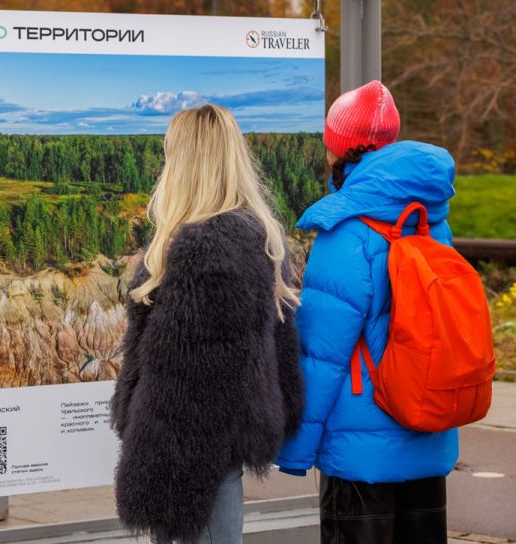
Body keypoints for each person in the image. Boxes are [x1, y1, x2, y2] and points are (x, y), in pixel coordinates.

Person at [110, 104, 305, 544]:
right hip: (222, 449)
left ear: (185, 163)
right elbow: (279, 351)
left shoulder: (203, 253)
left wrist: (147, 455)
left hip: (189, 466)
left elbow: (191, 392)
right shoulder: (261, 237)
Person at [276, 80, 458, 544]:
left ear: (339, 149)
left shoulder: (345, 233)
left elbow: (322, 356)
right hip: (428, 429)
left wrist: (296, 451)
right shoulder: (431, 219)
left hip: (359, 460)